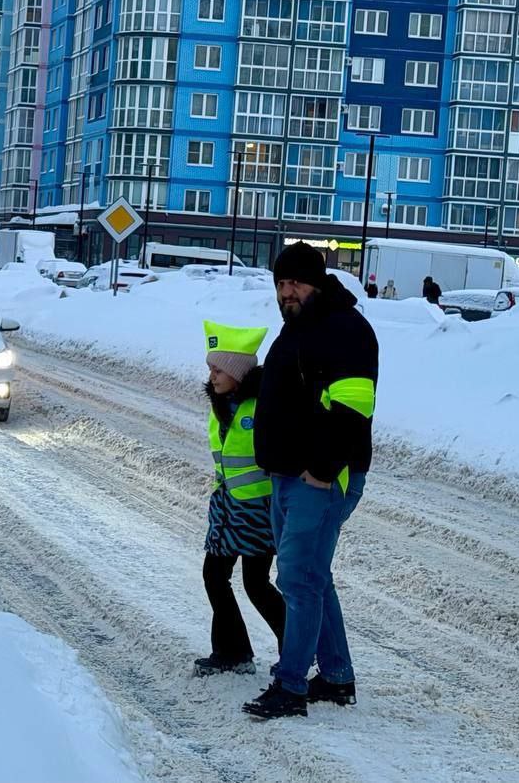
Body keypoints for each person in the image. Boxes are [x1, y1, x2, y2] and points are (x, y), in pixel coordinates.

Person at [242, 242, 378, 721]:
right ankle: (337, 676)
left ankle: (291, 685)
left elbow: (352, 408)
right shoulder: (298, 329)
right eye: (280, 284)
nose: (286, 291)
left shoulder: (346, 330)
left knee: (297, 580)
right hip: (287, 474)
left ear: (316, 282)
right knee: (314, 579)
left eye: (295, 282)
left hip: (320, 479)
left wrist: (321, 471)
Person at [195, 321, 287, 677]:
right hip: (228, 509)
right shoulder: (221, 407)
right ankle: (233, 651)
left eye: (219, 369)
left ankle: (293, 650)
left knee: (256, 584)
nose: (213, 376)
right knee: (215, 576)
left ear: (237, 371)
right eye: (210, 369)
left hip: (256, 511)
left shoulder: (259, 407)